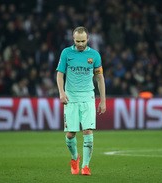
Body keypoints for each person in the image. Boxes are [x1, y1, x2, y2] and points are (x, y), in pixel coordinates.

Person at [56, 26, 106, 176]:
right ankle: (74, 158)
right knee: (70, 134)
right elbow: (60, 74)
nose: (80, 44)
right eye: (77, 41)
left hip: (88, 97)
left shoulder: (95, 55)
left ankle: (85, 166)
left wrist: (103, 100)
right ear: (73, 39)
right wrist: (61, 93)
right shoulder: (66, 53)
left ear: (88, 39)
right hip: (71, 97)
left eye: (83, 41)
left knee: (87, 131)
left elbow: (99, 78)